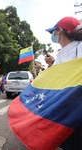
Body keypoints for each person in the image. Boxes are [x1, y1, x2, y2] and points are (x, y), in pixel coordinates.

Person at [45, 16, 82, 150]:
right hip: (63, 110)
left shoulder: (80, 47)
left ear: (60, 30)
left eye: (53, 31)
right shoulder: (60, 54)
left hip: (77, 111)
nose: (53, 35)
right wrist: (53, 63)